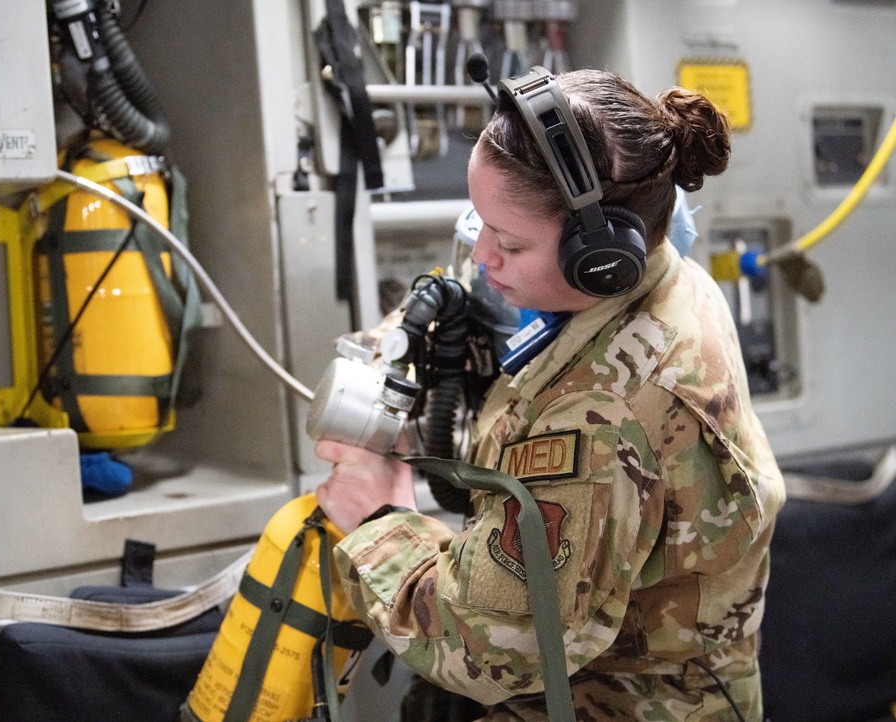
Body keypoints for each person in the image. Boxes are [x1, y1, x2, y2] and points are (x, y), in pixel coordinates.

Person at [314, 68, 785, 721]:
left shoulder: (602, 417)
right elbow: (495, 307)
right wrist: (404, 346)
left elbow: (490, 650)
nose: (483, 255)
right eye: (477, 223)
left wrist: (379, 522)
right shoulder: (646, 275)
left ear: (598, 257)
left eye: (508, 242)